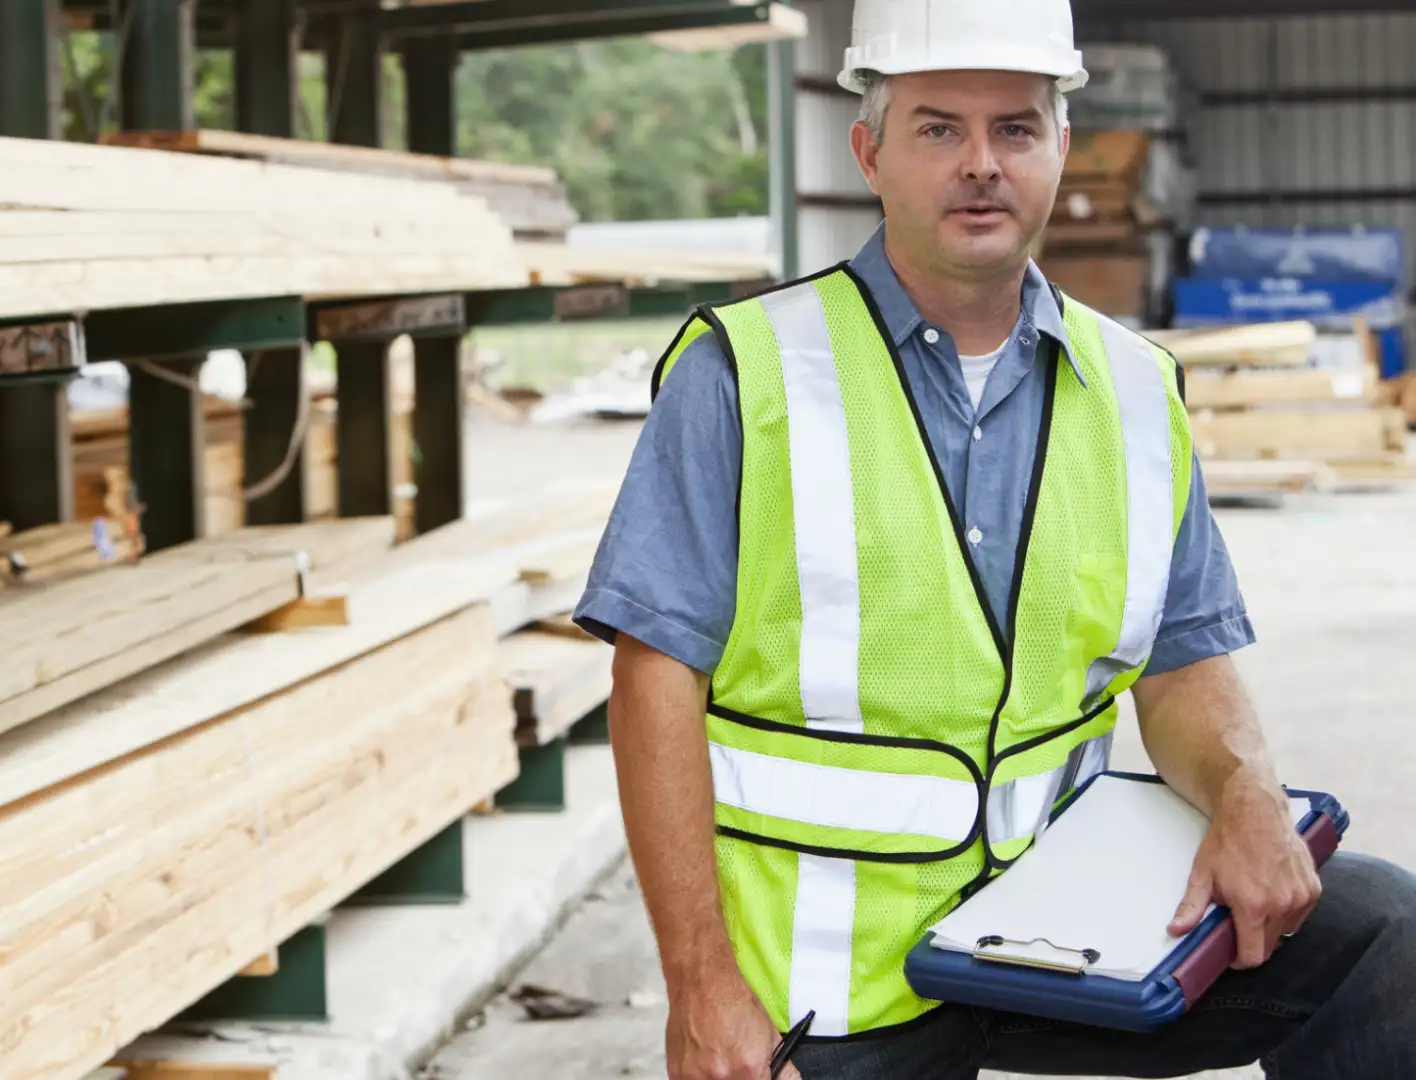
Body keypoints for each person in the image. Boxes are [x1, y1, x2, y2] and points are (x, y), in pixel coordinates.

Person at [571, 1, 1416, 1077]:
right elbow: (654, 683)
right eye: (937, 128)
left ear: (1061, 148)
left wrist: (1249, 794)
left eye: (1015, 128)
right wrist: (699, 985)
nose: (981, 164)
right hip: (835, 989)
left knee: (1385, 935)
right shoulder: (743, 374)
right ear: (867, 151)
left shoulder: (1131, 387)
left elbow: (1179, 659)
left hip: (1064, 923)